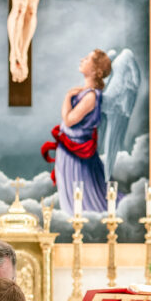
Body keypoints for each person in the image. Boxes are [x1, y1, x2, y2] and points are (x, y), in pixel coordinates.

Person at [42, 49, 112, 214]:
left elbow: (69, 120)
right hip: (69, 149)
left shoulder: (91, 97)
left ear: (96, 71)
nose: (82, 59)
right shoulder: (84, 93)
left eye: (87, 58)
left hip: (77, 153)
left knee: (80, 191)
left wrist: (67, 97)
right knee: (69, 189)